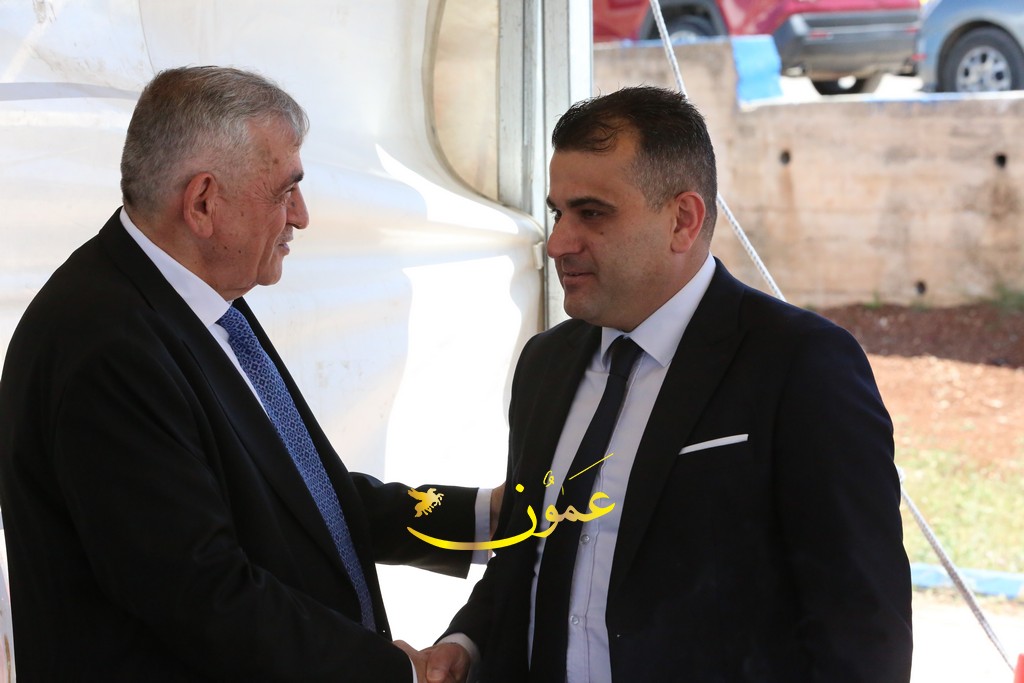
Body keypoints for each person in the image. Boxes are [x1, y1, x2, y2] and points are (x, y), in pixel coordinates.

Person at [0, 65, 489, 682]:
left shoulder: (195, 296)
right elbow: (200, 593)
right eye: (285, 192)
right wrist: (398, 675)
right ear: (204, 202)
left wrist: (476, 516)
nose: (301, 216)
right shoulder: (106, 346)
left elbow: (299, 496)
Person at [424, 85, 913, 682]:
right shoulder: (545, 364)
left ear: (683, 220)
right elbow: (527, 554)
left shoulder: (801, 364)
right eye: (558, 213)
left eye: (592, 213)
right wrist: (467, 642)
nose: (558, 243)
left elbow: (861, 625)